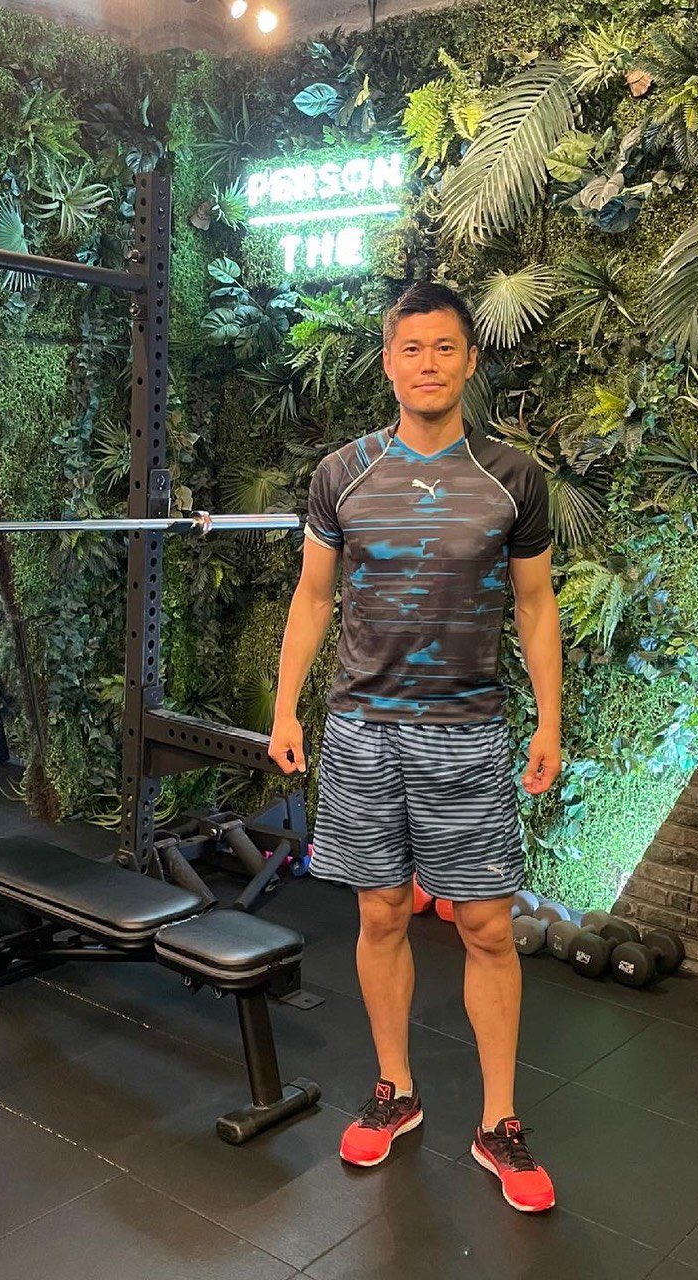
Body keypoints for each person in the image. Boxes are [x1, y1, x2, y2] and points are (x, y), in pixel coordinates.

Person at [267, 281, 563, 1214]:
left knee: (487, 928)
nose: (427, 364)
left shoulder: (512, 478)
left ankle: (499, 1122)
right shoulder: (343, 473)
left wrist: (550, 721)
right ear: (389, 363)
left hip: (467, 733)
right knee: (382, 915)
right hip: (363, 729)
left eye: (444, 348)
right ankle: (394, 1089)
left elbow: (535, 605)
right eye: (411, 348)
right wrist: (286, 709)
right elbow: (315, 596)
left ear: (469, 360)